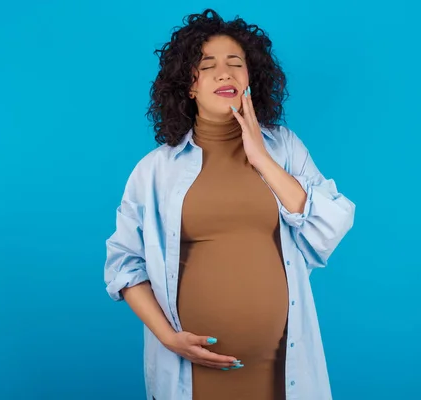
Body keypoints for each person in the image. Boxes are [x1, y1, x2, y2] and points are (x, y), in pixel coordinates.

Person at [104, 9, 355, 400]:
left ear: (250, 78)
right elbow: (124, 264)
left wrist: (262, 160)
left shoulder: (284, 148)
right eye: (208, 66)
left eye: (235, 64)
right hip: (191, 371)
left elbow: (330, 225)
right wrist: (169, 338)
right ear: (188, 86)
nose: (224, 73)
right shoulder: (153, 171)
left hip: (280, 369)